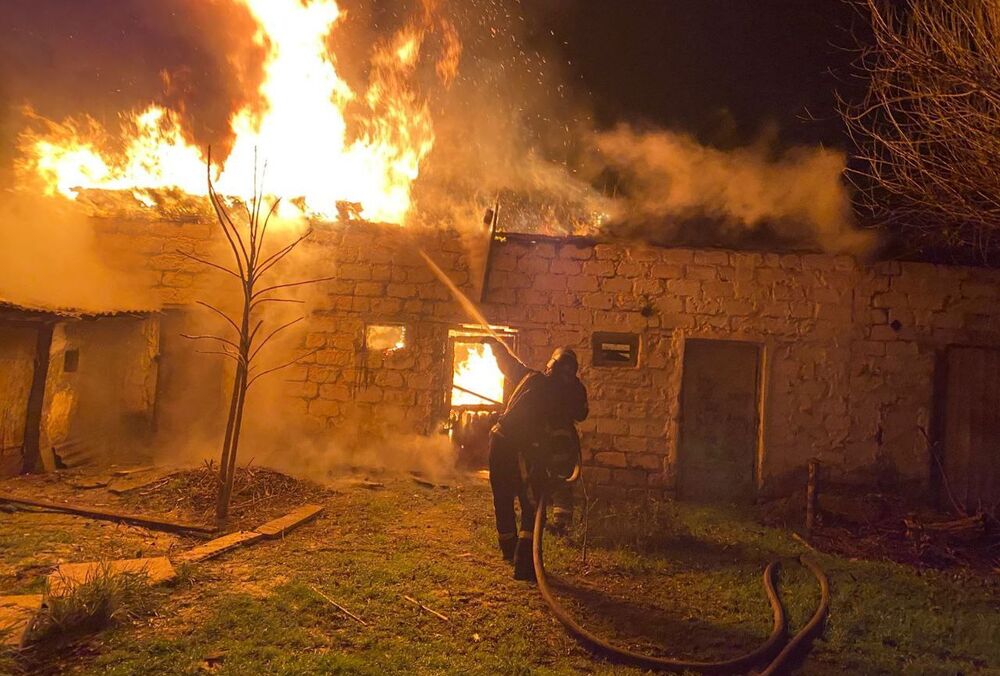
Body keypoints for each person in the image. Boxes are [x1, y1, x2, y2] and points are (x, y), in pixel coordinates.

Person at [486, 338, 588, 580]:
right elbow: (580, 414)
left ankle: (509, 550)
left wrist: (495, 344)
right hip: (520, 446)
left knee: (503, 495)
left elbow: (508, 363)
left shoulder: (532, 377)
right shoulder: (564, 392)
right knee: (532, 502)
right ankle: (523, 564)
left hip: (500, 440)